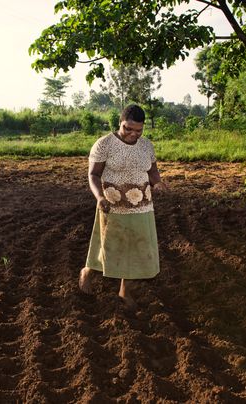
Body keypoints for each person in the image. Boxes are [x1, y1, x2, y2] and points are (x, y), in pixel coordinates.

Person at [79, 104, 168, 310]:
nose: (133, 134)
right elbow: (93, 175)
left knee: (137, 249)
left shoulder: (146, 146)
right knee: (107, 245)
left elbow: (152, 171)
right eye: (128, 128)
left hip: (142, 207)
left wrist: (158, 183)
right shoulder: (104, 144)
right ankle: (88, 271)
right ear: (120, 123)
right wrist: (99, 197)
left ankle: (124, 291)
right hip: (112, 206)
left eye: (138, 130)